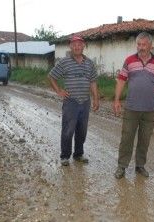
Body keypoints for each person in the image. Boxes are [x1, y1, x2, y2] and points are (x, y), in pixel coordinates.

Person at [113, 32, 154, 179]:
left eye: (144, 44)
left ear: (150, 45)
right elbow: (121, 80)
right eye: (139, 44)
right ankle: (122, 166)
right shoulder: (129, 60)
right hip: (131, 108)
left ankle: (140, 166)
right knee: (127, 138)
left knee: (144, 139)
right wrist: (116, 100)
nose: (141, 47)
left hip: (150, 109)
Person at [48, 35, 99, 166]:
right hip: (71, 102)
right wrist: (59, 90)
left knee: (82, 130)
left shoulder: (90, 63)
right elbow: (52, 76)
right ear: (70, 47)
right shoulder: (64, 62)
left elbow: (93, 82)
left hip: (85, 101)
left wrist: (96, 99)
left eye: (79, 44)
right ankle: (65, 156)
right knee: (68, 130)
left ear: (84, 46)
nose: (77, 47)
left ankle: (78, 154)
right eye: (74, 44)